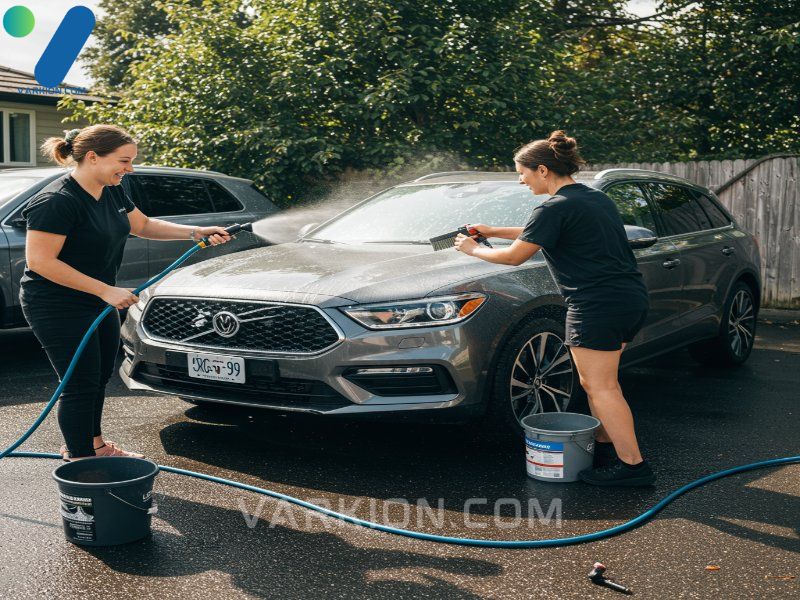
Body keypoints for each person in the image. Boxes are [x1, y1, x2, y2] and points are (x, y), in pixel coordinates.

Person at [454, 130, 655, 487]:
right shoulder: (592, 199)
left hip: (596, 305)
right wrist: (492, 229)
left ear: (543, 170)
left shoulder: (553, 207)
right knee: (598, 383)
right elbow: (542, 230)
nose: (521, 179)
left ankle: (633, 468)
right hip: (627, 299)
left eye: (523, 172)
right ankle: (607, 448)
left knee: (602, 387)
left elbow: (515, 256)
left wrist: (474, 249)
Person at [20, 125, 232, 461]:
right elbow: (41, 262)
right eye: (124, 161)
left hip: (96, 298)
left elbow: (143, 225)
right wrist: (105, 290)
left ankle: (94, 445)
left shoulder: (112, 190)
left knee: (100, 375)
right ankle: (81, 463)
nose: (129, 169)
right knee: (79, 382)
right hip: (56, 302)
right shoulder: (56, 201)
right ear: (93, 157)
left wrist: (195, 232)